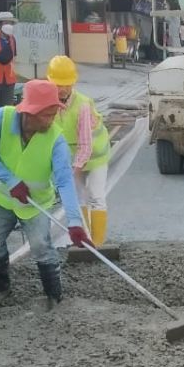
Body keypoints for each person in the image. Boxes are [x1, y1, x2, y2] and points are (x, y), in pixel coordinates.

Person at [0, 79, 92, 311]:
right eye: (46, 115)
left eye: (54, 113)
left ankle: (54, 296)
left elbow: (65, 182)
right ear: (31, 112)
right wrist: (11, 181)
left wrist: (75, 222)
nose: (52, 120)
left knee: (40, 245)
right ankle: (1, 289)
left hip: (34, 203)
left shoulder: (55, 140)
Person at [47, 55, 111, 246]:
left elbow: (85, 144)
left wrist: (73, 168)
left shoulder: (82, 105)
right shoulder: (49, 105)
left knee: (96, 196)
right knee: (76, 198)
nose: (63, 89)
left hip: (95, 155)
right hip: (72, 158)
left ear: (73, 82)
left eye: (66, 84)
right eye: (58, 84)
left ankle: (98, 244)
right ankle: (85, 242)